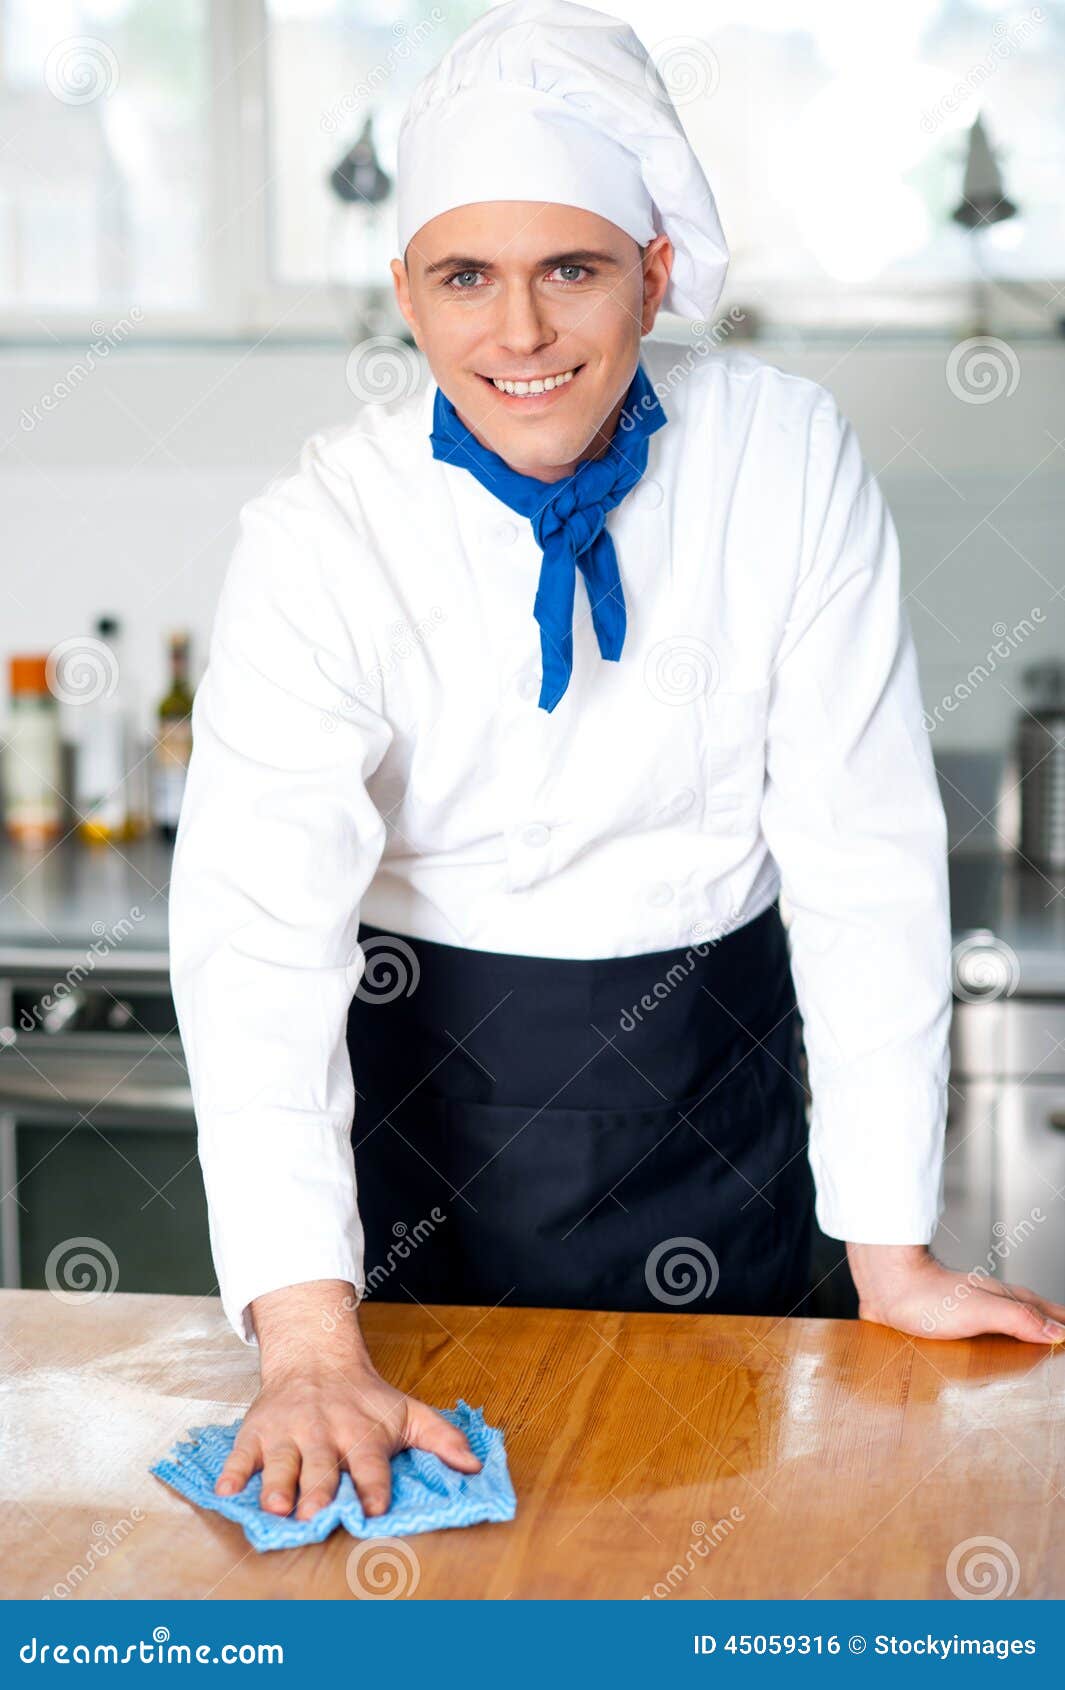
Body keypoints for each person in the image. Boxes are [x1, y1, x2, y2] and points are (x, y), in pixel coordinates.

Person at [167, 0, 1065, 1527]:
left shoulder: (781, 457)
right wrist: (309, 1334)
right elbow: (257, 933)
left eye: (568, 270)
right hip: (419, 1126)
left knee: (731, 1534)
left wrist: (889, 1244)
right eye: (466, 277)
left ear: (652, 274)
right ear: (405, 291)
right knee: (440, 1587)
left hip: (711, 1108)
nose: (516, 335)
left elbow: (860, 847)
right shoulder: (323, 534)